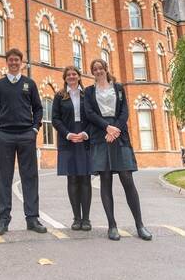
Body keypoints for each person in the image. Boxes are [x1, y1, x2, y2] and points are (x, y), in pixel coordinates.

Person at [84, 59, 152, 242]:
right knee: (105, 180)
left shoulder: (119, 88)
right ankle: (112, 226)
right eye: (95, 69)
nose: (98, 71)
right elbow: (89, 113)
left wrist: (115, 130)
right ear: (93, 72)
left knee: (127, 179)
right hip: (101, 136)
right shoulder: (89, 92)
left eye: (100, 68)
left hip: (119, 135)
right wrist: (107, 128)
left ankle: (140, 225)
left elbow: (124, 112)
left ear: (106, 69)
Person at [0, 48, 47, 235]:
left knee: (29, 177)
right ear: (7, 62)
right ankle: (3, 220)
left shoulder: (29, 84)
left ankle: (32, 219)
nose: (14, 63)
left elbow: (38, 108)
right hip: (4, 135)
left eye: (17, 60)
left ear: (22, 62)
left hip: (26, 136)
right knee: (4, 178)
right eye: (11, 60)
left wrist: (35, 129)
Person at [51, 66, 92, 231]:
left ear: (79, 76)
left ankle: (86, 219)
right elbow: (55, 119)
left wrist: (85, 133)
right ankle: (76, 218)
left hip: (85, 140)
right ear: (65, 78)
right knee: (73, 179)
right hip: (67, 141)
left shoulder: (87, 95)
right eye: (68, 75)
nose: (72, 76)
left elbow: (93, 116)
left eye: (74, 74)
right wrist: (67, 134)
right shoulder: (59, 96)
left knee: (85, 179)